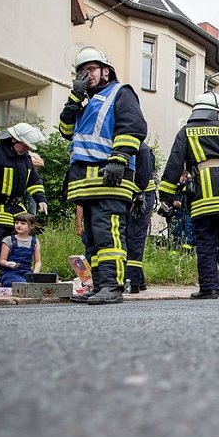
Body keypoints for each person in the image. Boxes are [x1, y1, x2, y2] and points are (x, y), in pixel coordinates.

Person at [59, 45, 148, 305]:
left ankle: (112, 286)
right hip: (86, 183)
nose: (86, 77)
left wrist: (119, 159)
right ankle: (98, 285)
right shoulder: (84, 105)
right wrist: (74, 98)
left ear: (105, 71)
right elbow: (65, 129)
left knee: (108, 235)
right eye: (81, 73)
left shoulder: (120, 93)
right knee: (93, 239)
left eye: (91, 70)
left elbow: (133, 127)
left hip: (110, 177)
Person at [158, 91, 219, 299]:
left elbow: (175, 163)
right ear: (215, 113)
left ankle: (209, 288)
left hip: (203, 197)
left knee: (206, 243)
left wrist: (166, 194)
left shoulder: (186, 132)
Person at [0, 122, 48, 286]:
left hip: (16, 207)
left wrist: (41, 199)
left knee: (26, 239)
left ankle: (23, 274)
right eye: (26, 145)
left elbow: (34, 181)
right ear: (14, 140)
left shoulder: (25, 159)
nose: (28, 149)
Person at [126, 142, 156, 293]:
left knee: (134, 239)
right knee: (129, 239)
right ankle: (139, 280)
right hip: (137, 197)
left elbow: (142, 181)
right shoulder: (135, 147)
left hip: (140, 199)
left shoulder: (142, 149)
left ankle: (133, 283)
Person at [0, 212, 41, 287]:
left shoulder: (35, 241)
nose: (19, 225)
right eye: (16, 223)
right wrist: (8, 264)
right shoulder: (8, 240)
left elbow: (38, 261)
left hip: (27, 273)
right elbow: (2, 260)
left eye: (23, 223)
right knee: (22, 284)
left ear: (31, 226)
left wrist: (35, 275)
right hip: (10, 273)